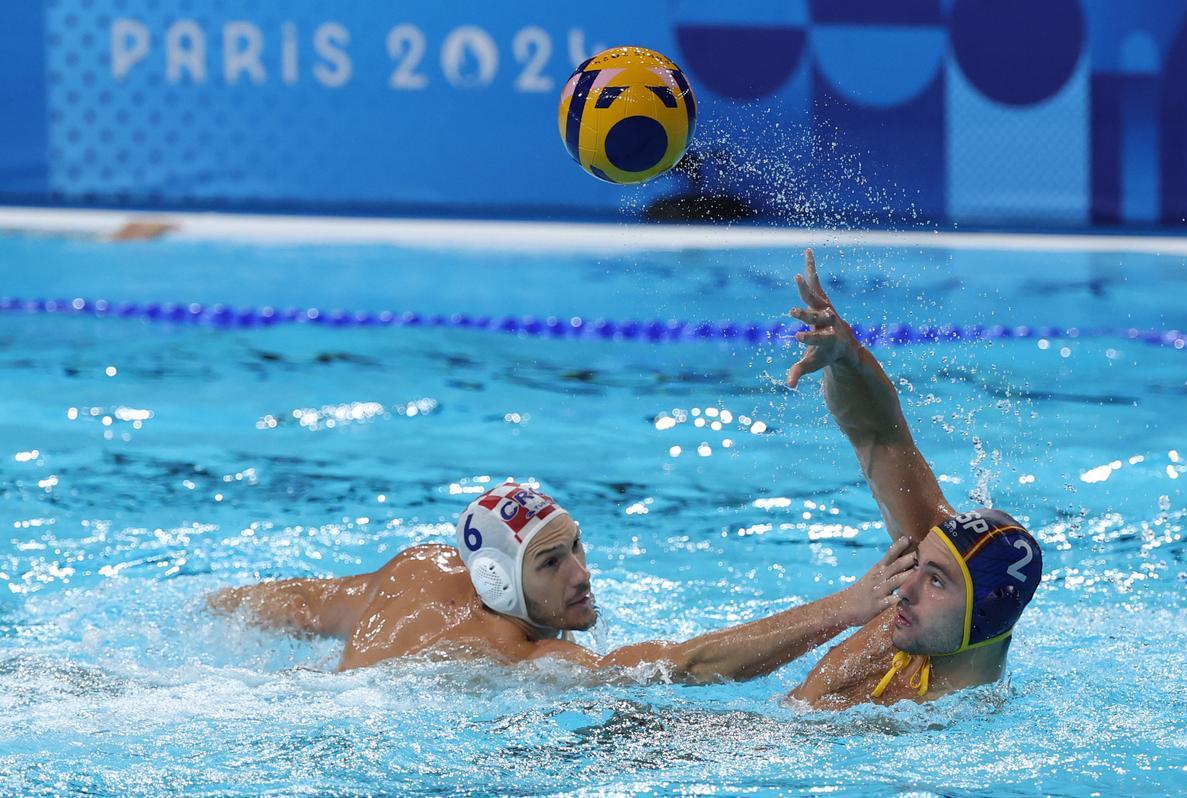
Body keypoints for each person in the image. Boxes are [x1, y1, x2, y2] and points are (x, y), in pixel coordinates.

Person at [208, 489, 916, 680]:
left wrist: (203, 608)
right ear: (498, 582)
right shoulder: (518, 654)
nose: (583, 574)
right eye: (552, 564)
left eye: (576, 546)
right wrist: (842, 608)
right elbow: (684, 666)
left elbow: (289, 604)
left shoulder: (415, 570)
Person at [782, 249, 1043, 708]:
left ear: (988, 610)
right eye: (921, 567)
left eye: (936, 580)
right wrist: (847, 357)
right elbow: (881, 437)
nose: (903, 587)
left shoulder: (949, 733)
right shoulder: (941, 600)